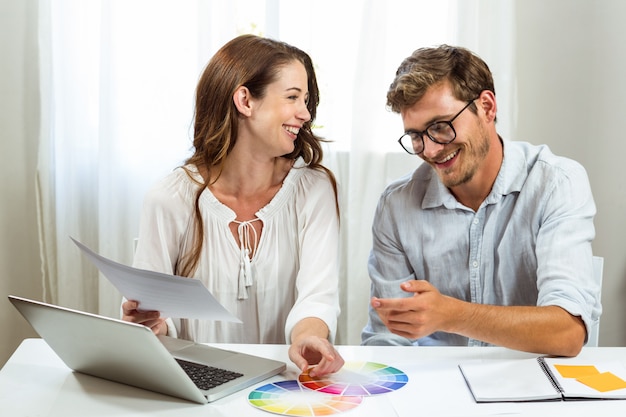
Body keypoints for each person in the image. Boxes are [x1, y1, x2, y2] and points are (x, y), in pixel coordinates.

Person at [122, 34, 344, 377]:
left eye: (307, 99)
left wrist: (308, 337)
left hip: (284, 386)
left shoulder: (313, 189)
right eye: (292, 97)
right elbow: (156, 317)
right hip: (193, 384)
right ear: (245, 100)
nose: (305, 113)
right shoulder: (169, 197)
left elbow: (319, 295)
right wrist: (151, 325)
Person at [361, 45, 601, 357]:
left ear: (486, 107)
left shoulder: (556, 183)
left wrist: (452, 315)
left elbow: (567, 332)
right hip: (435, 391)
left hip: (531, 387)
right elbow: (387, 342)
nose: (431, 150)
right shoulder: (397, 205)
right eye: (417, 136)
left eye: (440, 127)